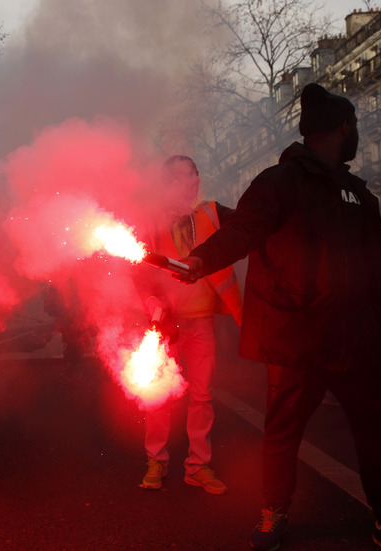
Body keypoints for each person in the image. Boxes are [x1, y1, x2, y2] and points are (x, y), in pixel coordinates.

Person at [176, 84, 381, 551]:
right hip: (297, 341)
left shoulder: (360, 195)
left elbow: (380, 267)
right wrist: (201, 260)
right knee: (282, 434)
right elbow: (244, 230)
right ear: (343, 129)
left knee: (377, 437)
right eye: (352, 127)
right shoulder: (278, 183)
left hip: (357, 341)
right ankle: (274, 511)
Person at [136, 156, 243, 495]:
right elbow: (140, 272)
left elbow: (248, 227)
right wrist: (153, 306)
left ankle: (198, 465)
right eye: (183, 176)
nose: (192, 182)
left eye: (195, 174)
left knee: (202, 396)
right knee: (158, 395)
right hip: (164, 325)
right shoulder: (150, 219)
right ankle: (157, 459)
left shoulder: (211, 212)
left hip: (201, 322)